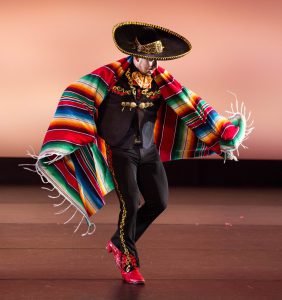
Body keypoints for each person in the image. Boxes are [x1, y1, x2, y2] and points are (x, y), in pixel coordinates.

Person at [21, 21, 252, 285]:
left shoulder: (163, 81)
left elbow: (191, 105)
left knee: (159, 202)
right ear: (136, 53)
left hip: (148, 151)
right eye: (148, 59)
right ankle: (128, 260)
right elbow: (79, 92)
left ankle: (119, 241)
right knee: (130, 204)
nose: (153, 65)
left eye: (157, 60)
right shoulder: (110, 76)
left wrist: (221, 134)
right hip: (119, 151)